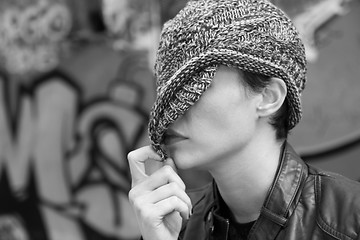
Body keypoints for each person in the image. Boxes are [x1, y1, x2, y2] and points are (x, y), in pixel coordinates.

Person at [127, 0, 360, 239]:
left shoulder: (350, 220)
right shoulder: (176, 222)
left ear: (269, 97)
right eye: (167, 93)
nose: (172, 112)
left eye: (196, 87)